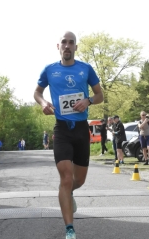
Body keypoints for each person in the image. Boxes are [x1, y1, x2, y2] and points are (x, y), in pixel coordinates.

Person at [34, 31, 103, 239]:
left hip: (82, 129)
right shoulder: (49, 70)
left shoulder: (85, 69)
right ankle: (70, 230)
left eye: (71, 43)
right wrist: (44, 103)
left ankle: (69, 192)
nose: (67, 46)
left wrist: (88, 101)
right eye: (64, 42)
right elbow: (37, 92)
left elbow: (100, 95)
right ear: (58, 47)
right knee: (65, 177)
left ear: (75, 47)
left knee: (78, 180)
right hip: (62, 129)